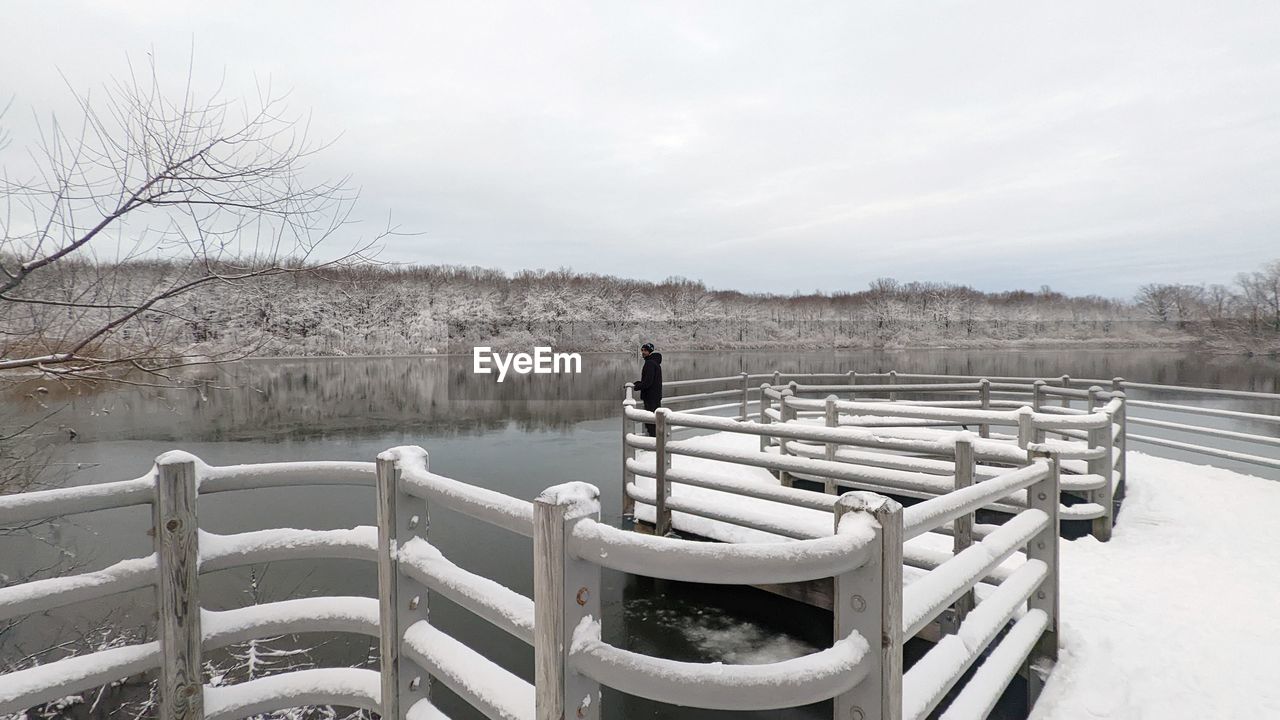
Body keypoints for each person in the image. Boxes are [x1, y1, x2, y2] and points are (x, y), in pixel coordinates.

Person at [632, 342, 663, 436]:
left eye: (645, 350)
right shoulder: (655, 362)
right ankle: (657, 440)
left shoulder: (649, 363)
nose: (643, 352)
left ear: (650, 351)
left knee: (650, 421)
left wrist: (637, 386)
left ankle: (654, 442)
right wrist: (639, 383)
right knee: (655, 419)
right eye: (642, 350)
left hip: (650, 397)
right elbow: (649, 380)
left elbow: (648, 382)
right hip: (655, 396)